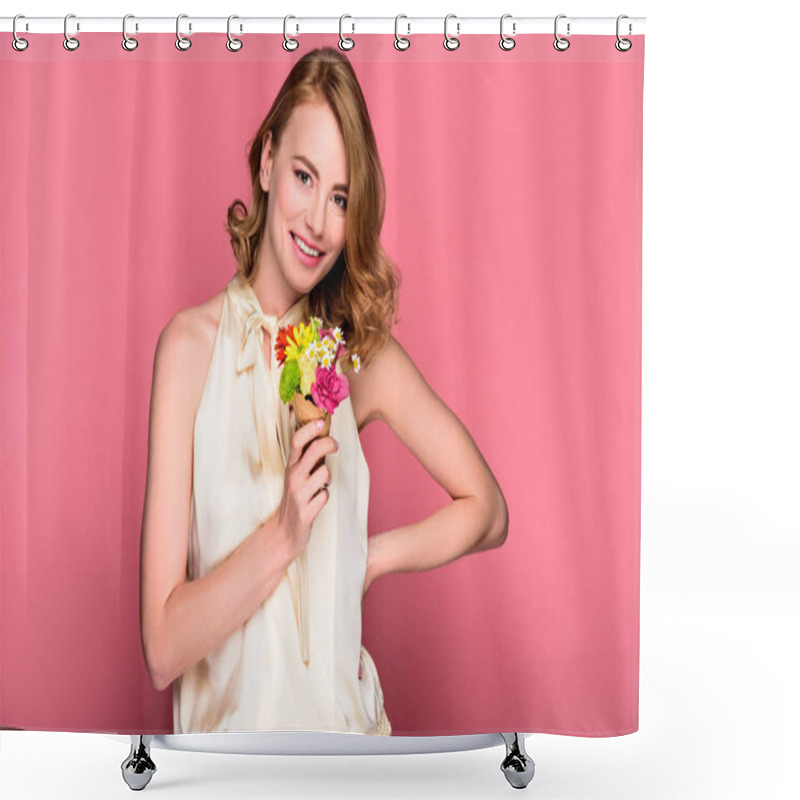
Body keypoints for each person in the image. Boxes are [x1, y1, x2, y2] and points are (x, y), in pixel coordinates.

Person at [139, 47, 509, 736]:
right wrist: (285, 536)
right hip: (228, 777)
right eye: (305, 178)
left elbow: (488, 510)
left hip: (352, 759)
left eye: (340, 198)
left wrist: (369, 559)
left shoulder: (356, 362)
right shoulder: (187, 350)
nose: (316, 222)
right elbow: (162, 649)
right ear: (267, 162)